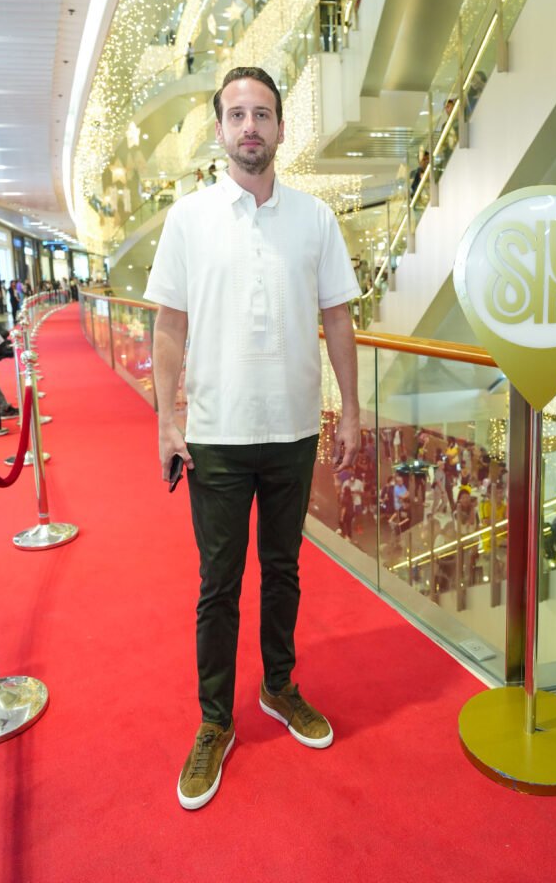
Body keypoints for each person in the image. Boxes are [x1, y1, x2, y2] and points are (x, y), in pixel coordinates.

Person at [144, 66, 360, 811]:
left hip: (294, 427)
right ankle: (214, 719)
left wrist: (351, 412)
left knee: (284, 570)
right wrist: (167, 420)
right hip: (216, 434)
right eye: (236, 114)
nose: (249, 127)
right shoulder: (189, 219)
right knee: (218, 585)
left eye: (261, 114)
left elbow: (338, 317)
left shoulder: (315, 219)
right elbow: (168, 326)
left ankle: (278, 685)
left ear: (279, 128)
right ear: (219, 129)